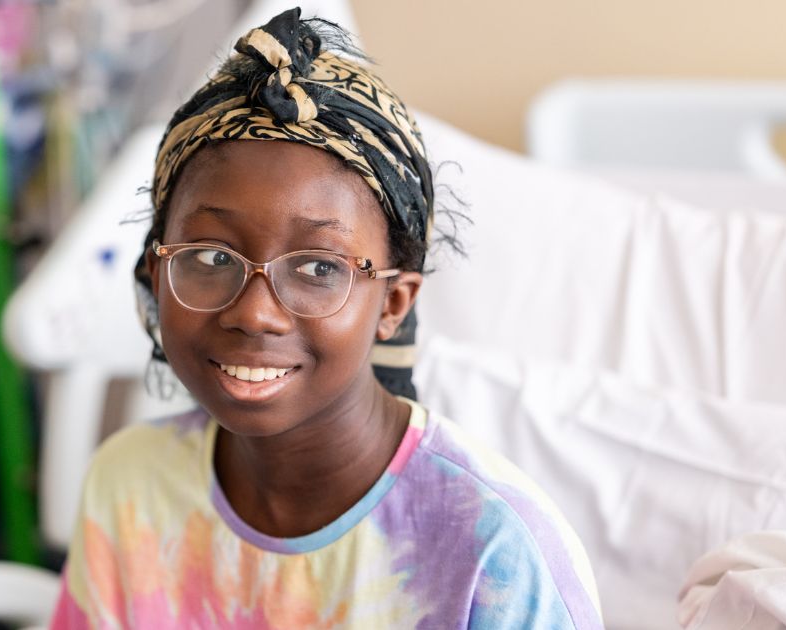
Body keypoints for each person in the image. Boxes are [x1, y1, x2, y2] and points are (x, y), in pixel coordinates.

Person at [51, 8, 603, 628]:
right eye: (210, 256)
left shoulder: (495, 551)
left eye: (318, 268)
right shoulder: (130, 487)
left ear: (393, 303)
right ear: (157, 274)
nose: (255, 313)